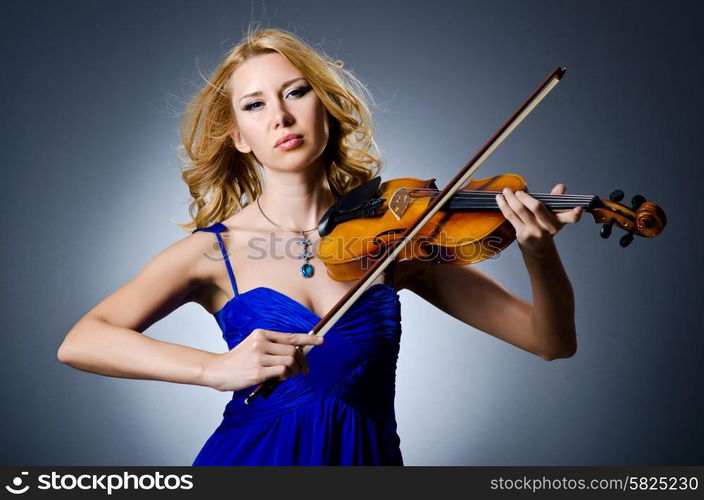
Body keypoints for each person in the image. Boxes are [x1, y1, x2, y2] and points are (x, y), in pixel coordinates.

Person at [57, 27, 583, 466]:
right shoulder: (213, 251)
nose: (280, 117)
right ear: (240, 136)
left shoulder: (400, 239)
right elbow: (81, 341)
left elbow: (550, 340)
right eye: (255, 105)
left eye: (296, 92)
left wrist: (539, 252)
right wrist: (213, 369)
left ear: (325, 107)